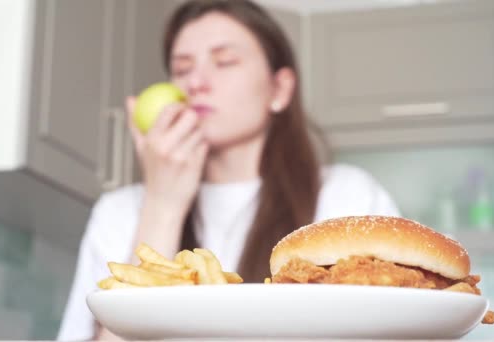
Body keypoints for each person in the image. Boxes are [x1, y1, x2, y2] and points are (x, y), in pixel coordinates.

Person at [57, 1, 400, 340]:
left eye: (224, 62)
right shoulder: (118, 213)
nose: (196, 82)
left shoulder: (346, 197)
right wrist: (162, 205)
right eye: (182, 68)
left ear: (279, 89)